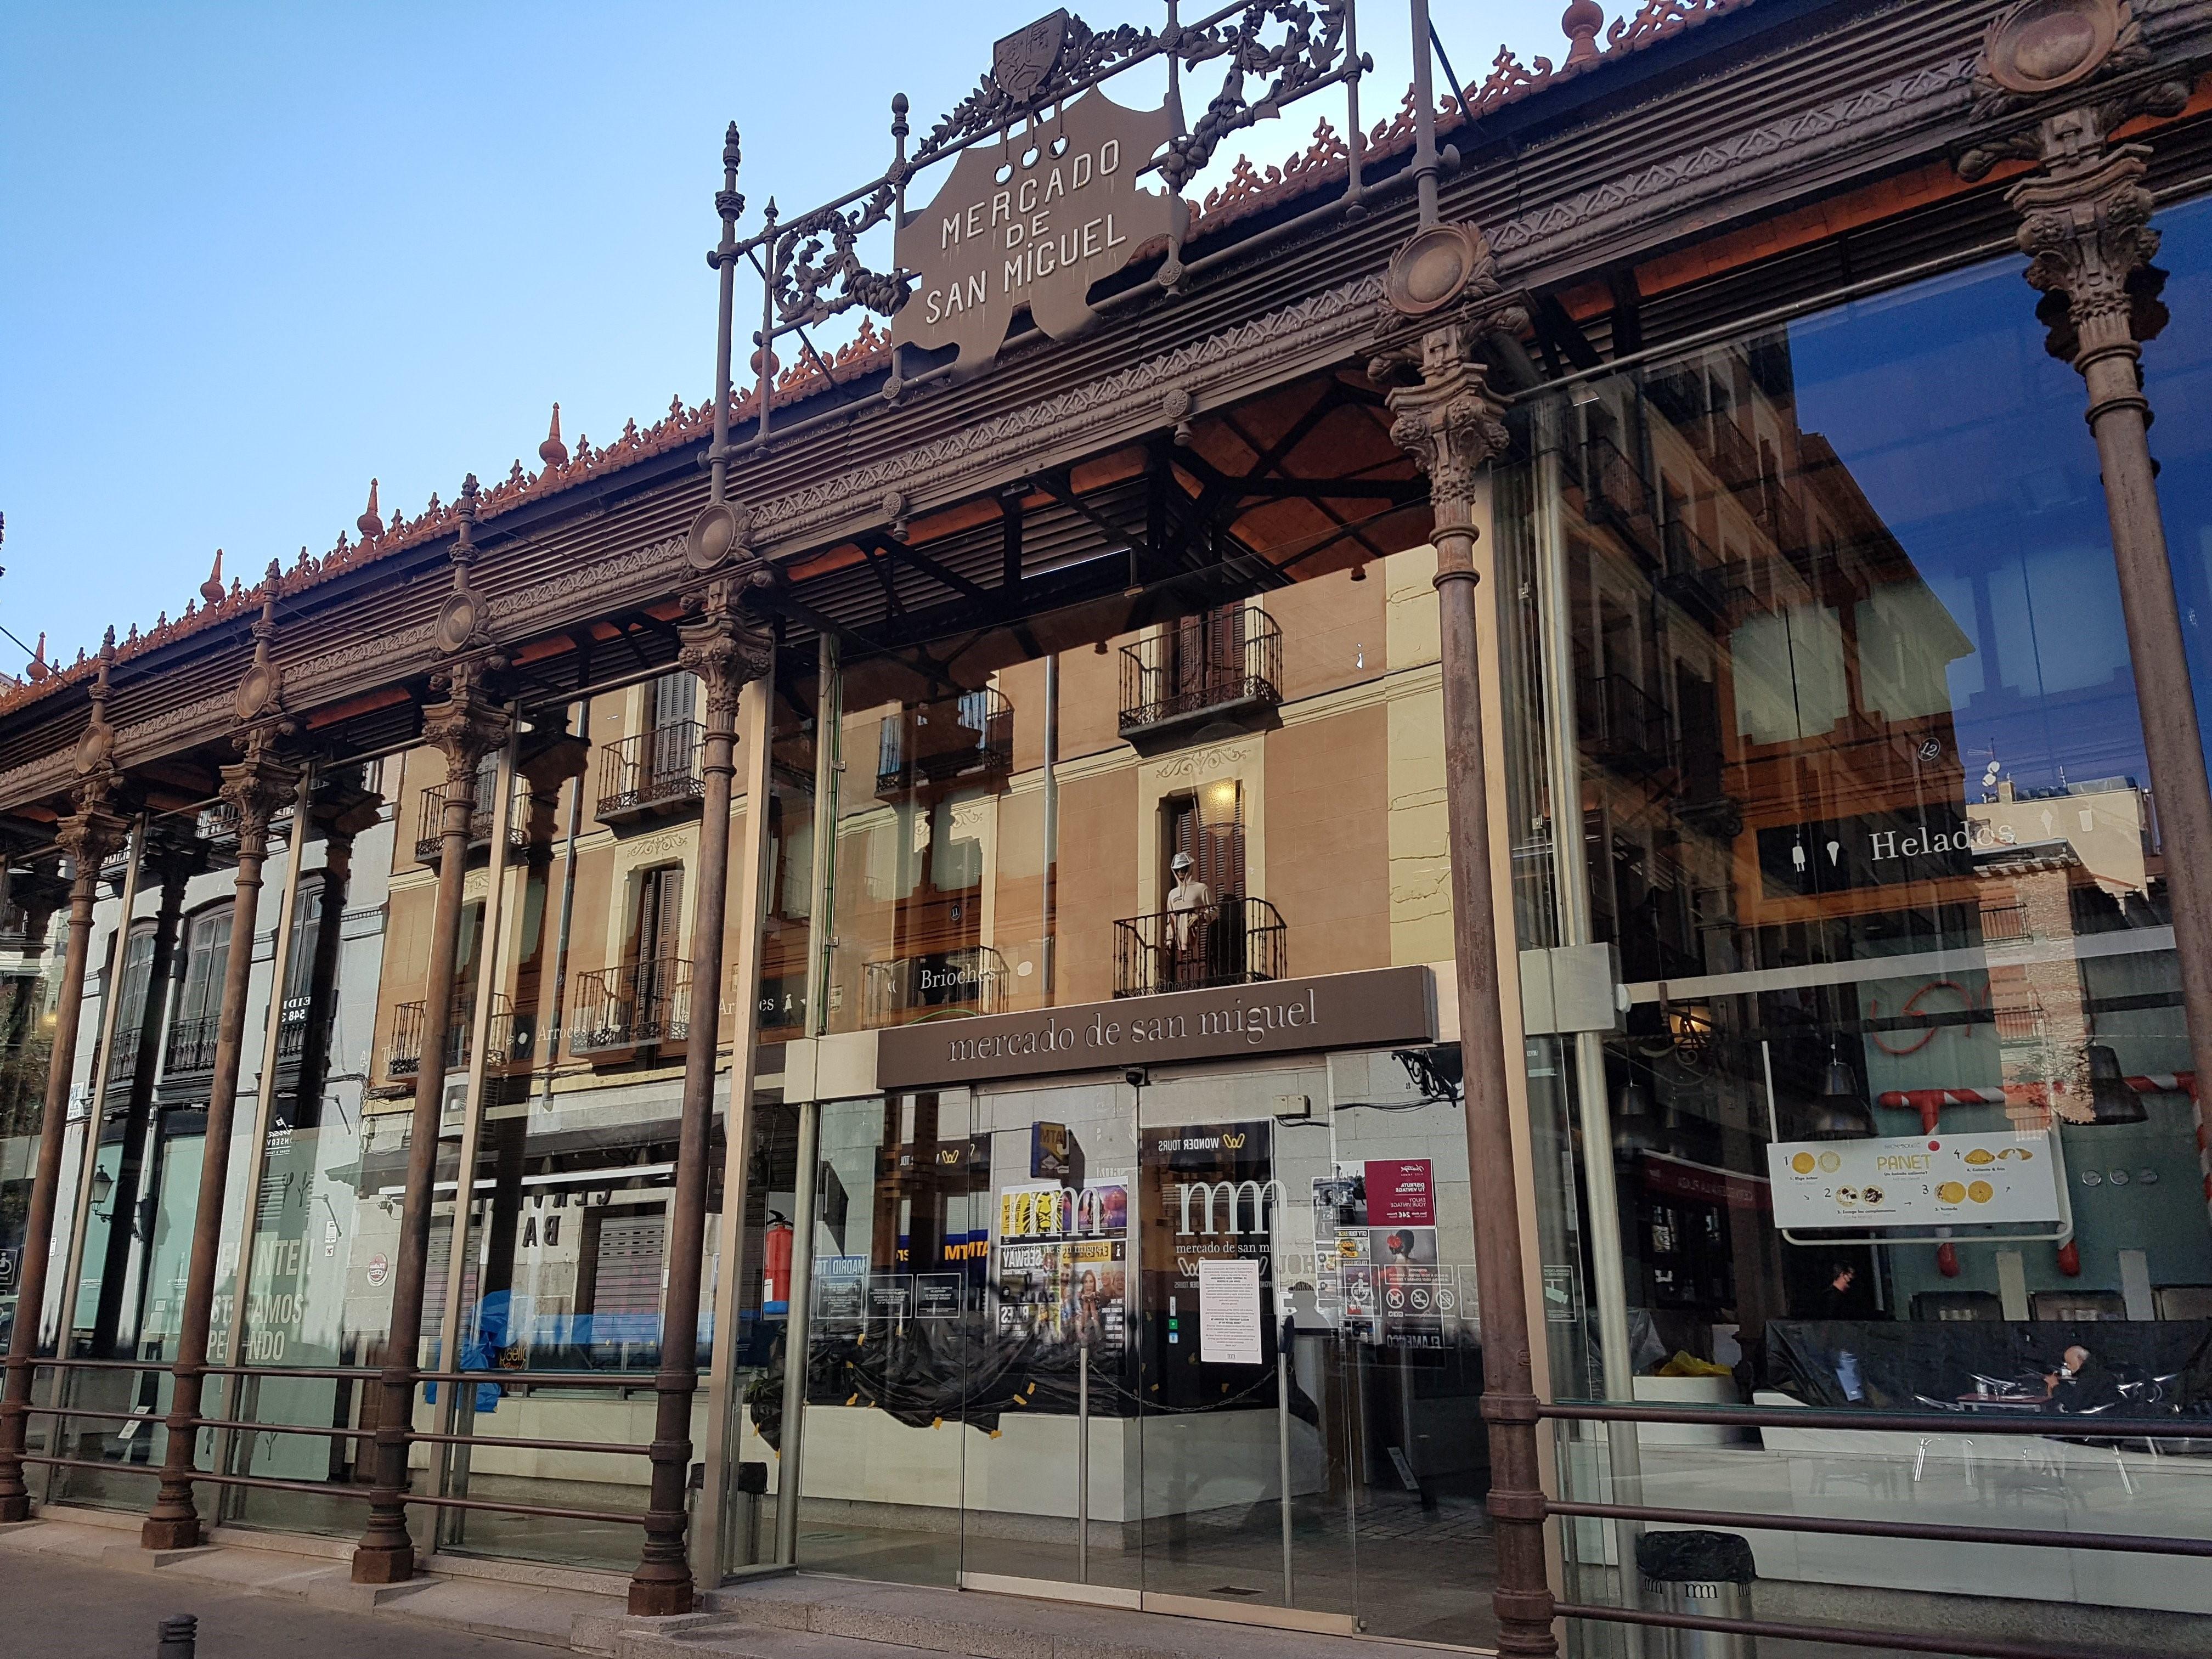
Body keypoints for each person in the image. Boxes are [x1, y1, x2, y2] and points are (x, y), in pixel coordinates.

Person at [2042, 1344, 2123, 1414]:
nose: (2068, 1367)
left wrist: (2056, 1386)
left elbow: (2075, 1404)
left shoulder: (2092, 1376)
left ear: (2079, 1359)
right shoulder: (2095, 1371)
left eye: (2069, 1363)